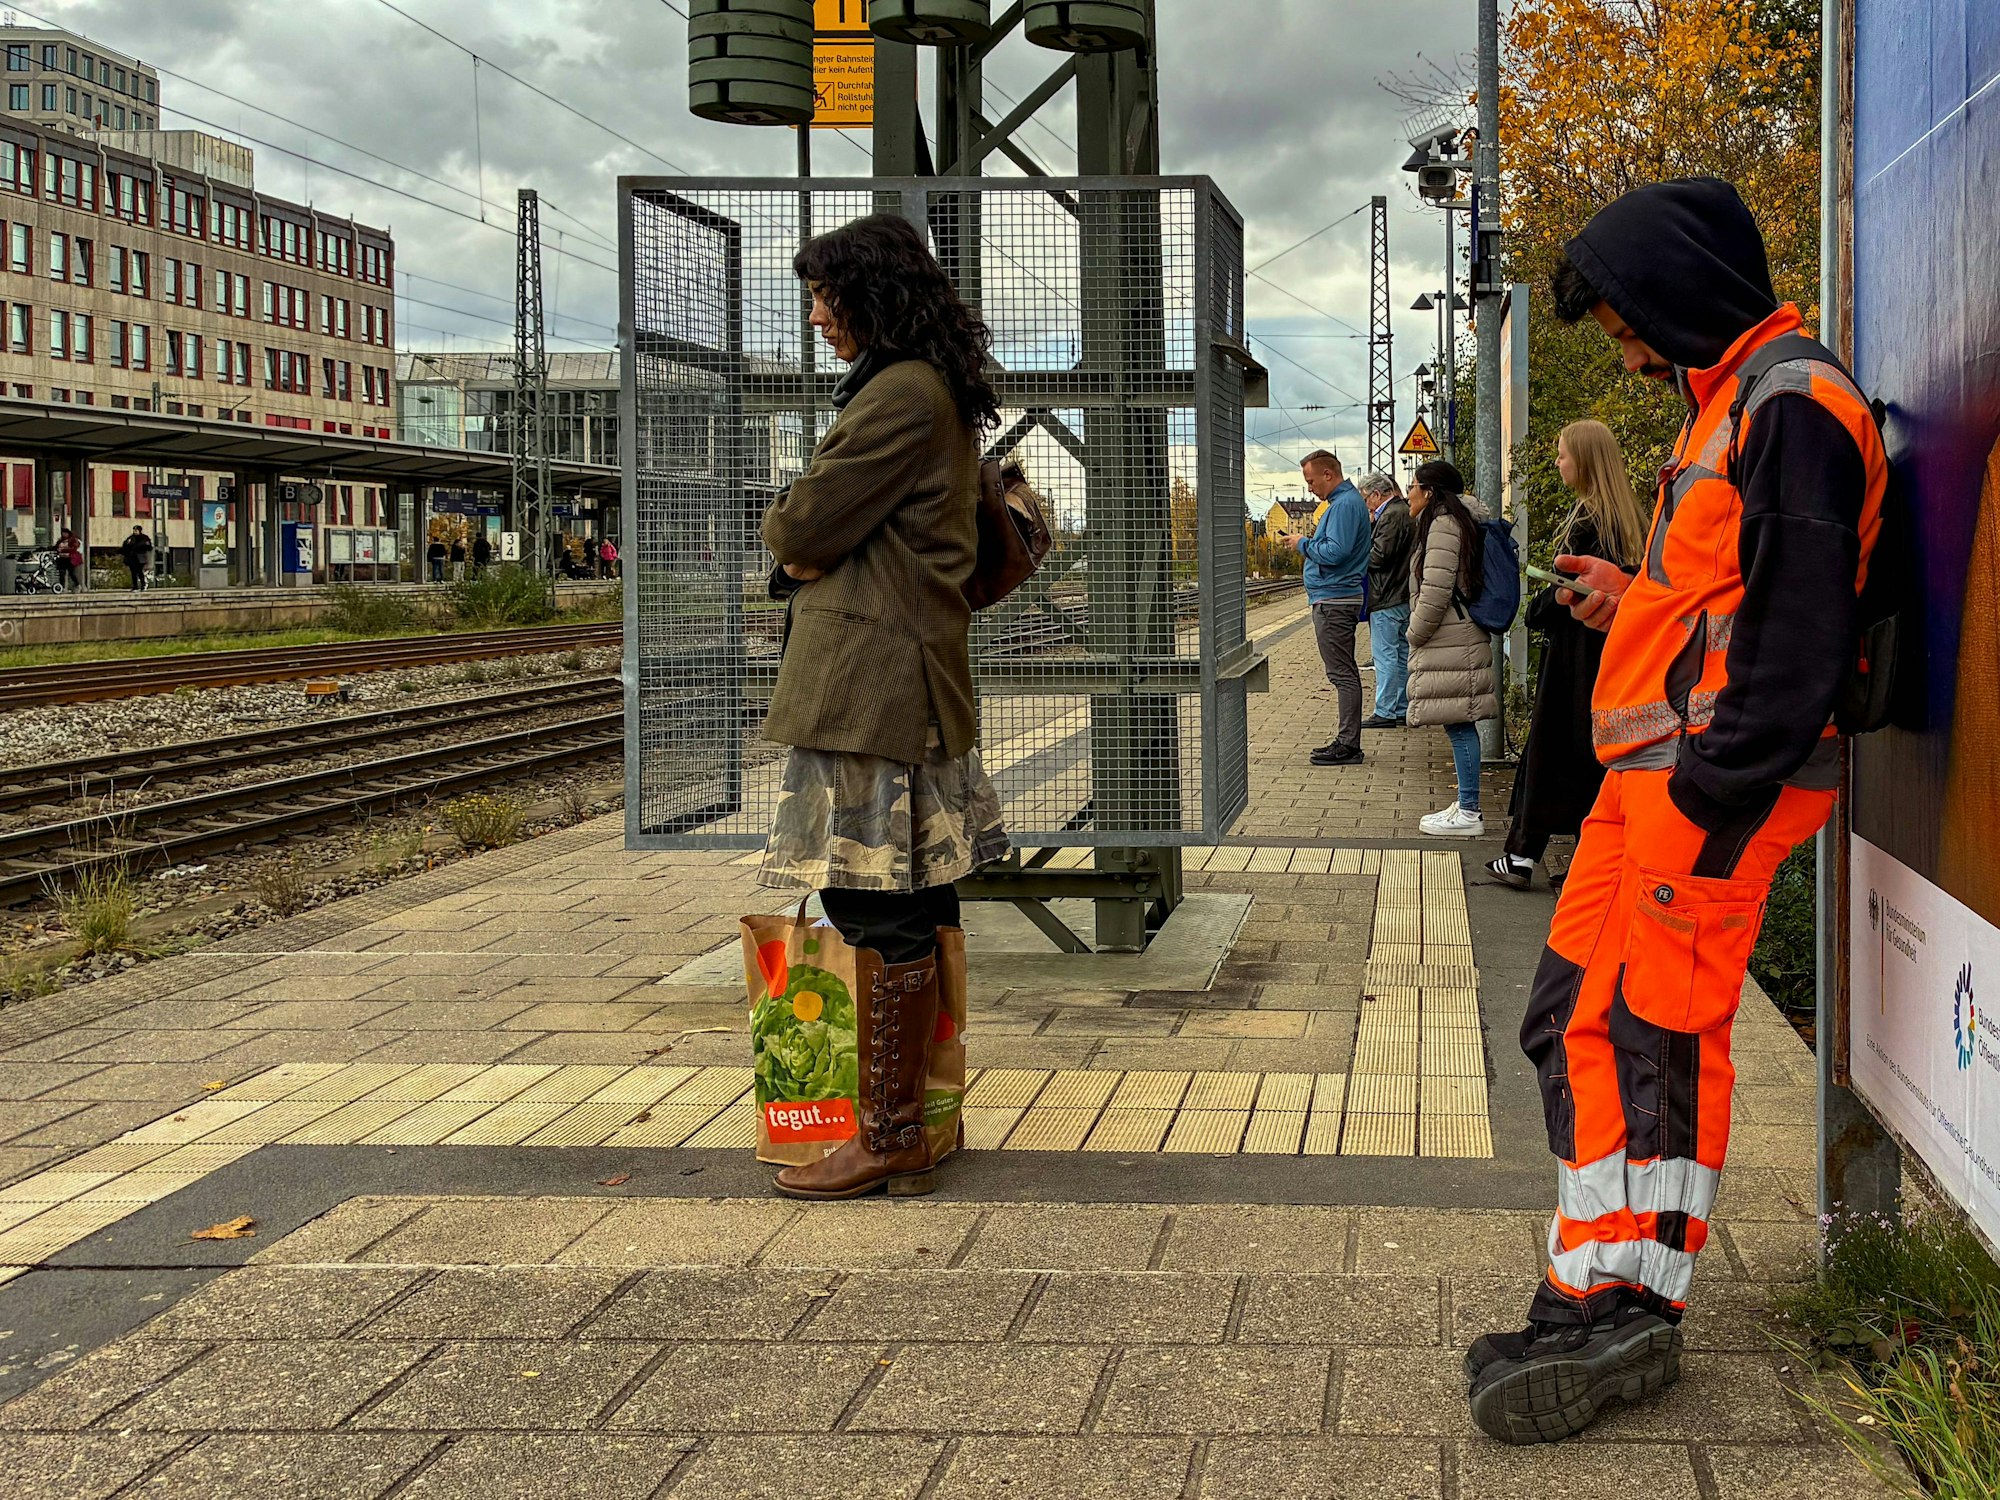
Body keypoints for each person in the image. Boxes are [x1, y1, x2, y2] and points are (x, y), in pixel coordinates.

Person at [1466, 178, 1888, 1446]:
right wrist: (1623, 599)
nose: (1632, 352)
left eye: (1628, 328)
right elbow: (1729, 606)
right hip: (1648, 791)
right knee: (1571, 1022)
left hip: (1702, 797)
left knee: (1645, 1038)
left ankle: (1627, 1303)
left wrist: (1711, 793)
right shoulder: (1736, 407)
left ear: (1678, 292)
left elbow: (1796, 637)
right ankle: (1596, 1279)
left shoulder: (1789, 408)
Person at [757, 211, 1008, 1201]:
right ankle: (919, 1120)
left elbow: (799, 523)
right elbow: (813, 535)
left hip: (872, 685)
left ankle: (891, 1131)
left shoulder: (898, 395)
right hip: (893, 677)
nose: (816, 316)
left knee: (873, 907)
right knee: (910, 900)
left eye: (823, 295)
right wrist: (809, 543)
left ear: (866, 294)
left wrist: (802, 538)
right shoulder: (915, 387)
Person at [1488, 421, 1648, 888]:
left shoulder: (1585, 521)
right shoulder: (1633, 520)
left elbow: (1565, 594)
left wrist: (1538, 606)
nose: (1558, 463)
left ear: (1584, 461)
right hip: (1615, 655)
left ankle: (1521, 855)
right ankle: (1587, 863)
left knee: (1550, 748)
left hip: (1573, 653)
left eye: (1562, 455)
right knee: (1595, 756)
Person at [1404, 461, 1498, 835]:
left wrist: (1413, 633)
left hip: (1450, 636)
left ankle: (1470, 812)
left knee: (1460, 723)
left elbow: (1436, 589)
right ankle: (1466, 803)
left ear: (1428, 491)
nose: (1408, 492)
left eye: (1413, 485)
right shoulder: (1453, 520)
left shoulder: (1443, 524)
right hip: (1456, 635)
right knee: (1458, 721)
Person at [1285, 449, 1370, 765]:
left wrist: (1302, 544)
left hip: (1335, 600)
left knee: (1342, 673)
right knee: (1342, 671)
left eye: (1310, 481)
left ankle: (1348, 744)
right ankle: (1347, 741)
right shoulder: (1343, 505)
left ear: (1328, 475)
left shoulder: (1345, 506)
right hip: (1334, 597)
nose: (1309, 488)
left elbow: (1335, 552)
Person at [1359, 472, 1414, 728]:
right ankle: (1401, 708)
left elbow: (1379, 557)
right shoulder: (1405, 511)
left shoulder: (1391, 515)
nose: (1365, 504)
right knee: (1401, 654)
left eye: (1365, 498)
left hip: (1386, 595)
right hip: (1403, 594)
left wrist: (1354, 557)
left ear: (1376, 494)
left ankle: (1385, 711)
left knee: (1386, 656)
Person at [119, 525, 153, 591]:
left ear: (139, 531)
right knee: (133, 573)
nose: (135, 532)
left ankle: (143, 585)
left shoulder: (144, 538)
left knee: (140, 572)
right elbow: (125, 546)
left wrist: (142, 546)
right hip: (132, 558)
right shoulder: (131, 538)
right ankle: (135, 586)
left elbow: (149, 547)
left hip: (140, 558)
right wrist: (127, 544)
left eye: (136, 530)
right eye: (134, 530)